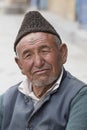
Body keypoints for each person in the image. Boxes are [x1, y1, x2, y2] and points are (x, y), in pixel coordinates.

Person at [0, 11, 87, 130]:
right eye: (28, 55)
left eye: (45, 51)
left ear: (62, 53)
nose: (38, 62)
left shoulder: (80, 98)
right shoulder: (7, 99)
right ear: (20, 64)